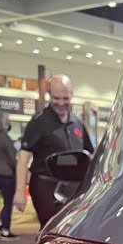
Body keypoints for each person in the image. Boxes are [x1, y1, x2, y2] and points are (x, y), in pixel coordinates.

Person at [13, 74, 94, 228]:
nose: (61, 103)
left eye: (65, 98)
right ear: (49, 95)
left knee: (72, 229)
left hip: (74, 187)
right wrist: (19, 192)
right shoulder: (39, 122)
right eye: (56, 98)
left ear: (71, 95)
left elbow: (90, 155)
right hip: (45, 187)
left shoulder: (78, 123)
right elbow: (23, 159)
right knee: (52, 228)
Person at [0, 112, 19, 241]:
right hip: (7, 174)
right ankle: (5, 230)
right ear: (4, 123)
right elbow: (12, 159)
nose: (9, 123)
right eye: (8, 120)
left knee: (7, 201)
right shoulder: (5, 138)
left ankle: (0, 222)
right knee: (8, 203)